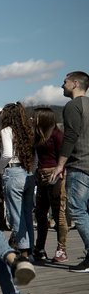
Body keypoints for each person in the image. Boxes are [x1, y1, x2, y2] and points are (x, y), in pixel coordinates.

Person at [52, 71, 89, 272]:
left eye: (64, 82)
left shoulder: (73, 106)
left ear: (75, 83)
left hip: (80, 165)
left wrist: (60, 165)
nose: (61, 85)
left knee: (77, 210)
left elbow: (71, 136)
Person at [0, 102, 36, 259]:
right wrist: (32, 170)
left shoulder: (6, 130)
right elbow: (35, 156)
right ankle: (30, 249)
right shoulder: (28, 130)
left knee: (16, 215)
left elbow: (7, 154)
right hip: (28, 173)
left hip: (13, 172)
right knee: (27, 214)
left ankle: (23, 252)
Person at [32, 107, 67, 264]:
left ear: (45, 118)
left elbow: (63, 156)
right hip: (41, 176)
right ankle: (39, 248)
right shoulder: (38, 135)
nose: (34, 119)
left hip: (55, 175)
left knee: (58, 213)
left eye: (36, 117)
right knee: (40, 213)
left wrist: (61, 171)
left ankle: (61, 249)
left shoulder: (57, 135)